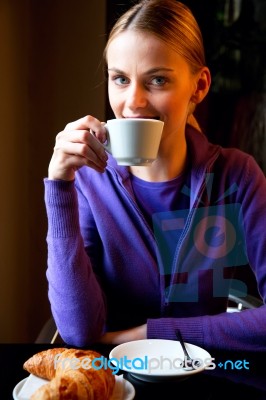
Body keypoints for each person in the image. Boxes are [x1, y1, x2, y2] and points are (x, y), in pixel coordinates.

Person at [44, 0, 266, 352]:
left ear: (199, 86)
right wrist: (59, 188)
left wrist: (151, 333)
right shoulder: (90, 182)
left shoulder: (237, 178)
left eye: (157, 80)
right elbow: (79, 331)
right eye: (120, 79)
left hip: (211, 379)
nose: (133, 102)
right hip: (120, 382)